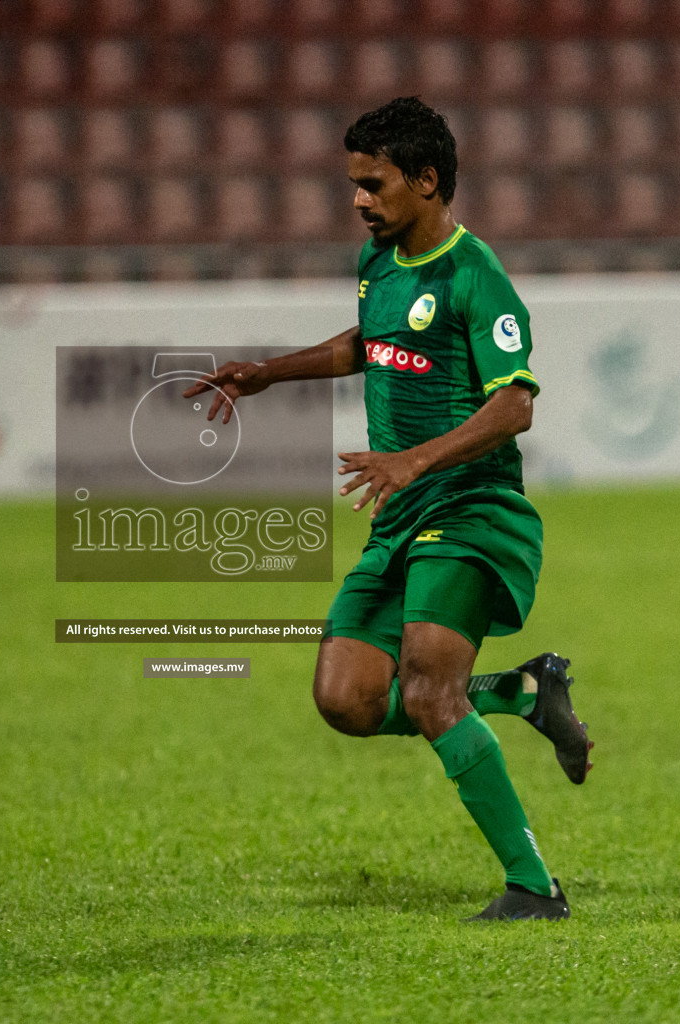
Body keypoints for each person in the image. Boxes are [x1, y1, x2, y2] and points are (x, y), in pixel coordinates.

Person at [184, 97, 593, 921]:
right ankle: (519, 694)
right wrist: (270, 373)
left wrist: (414, 458)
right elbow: (365, 341)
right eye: (354, 185)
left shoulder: (477, 276)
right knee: (347, 698)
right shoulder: (378, 262)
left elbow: (514, 405)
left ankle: (533, 887)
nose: (359, 201)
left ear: (428, 180)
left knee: (432, 692)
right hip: (402, 518)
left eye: (373, 184)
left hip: (474, 510)